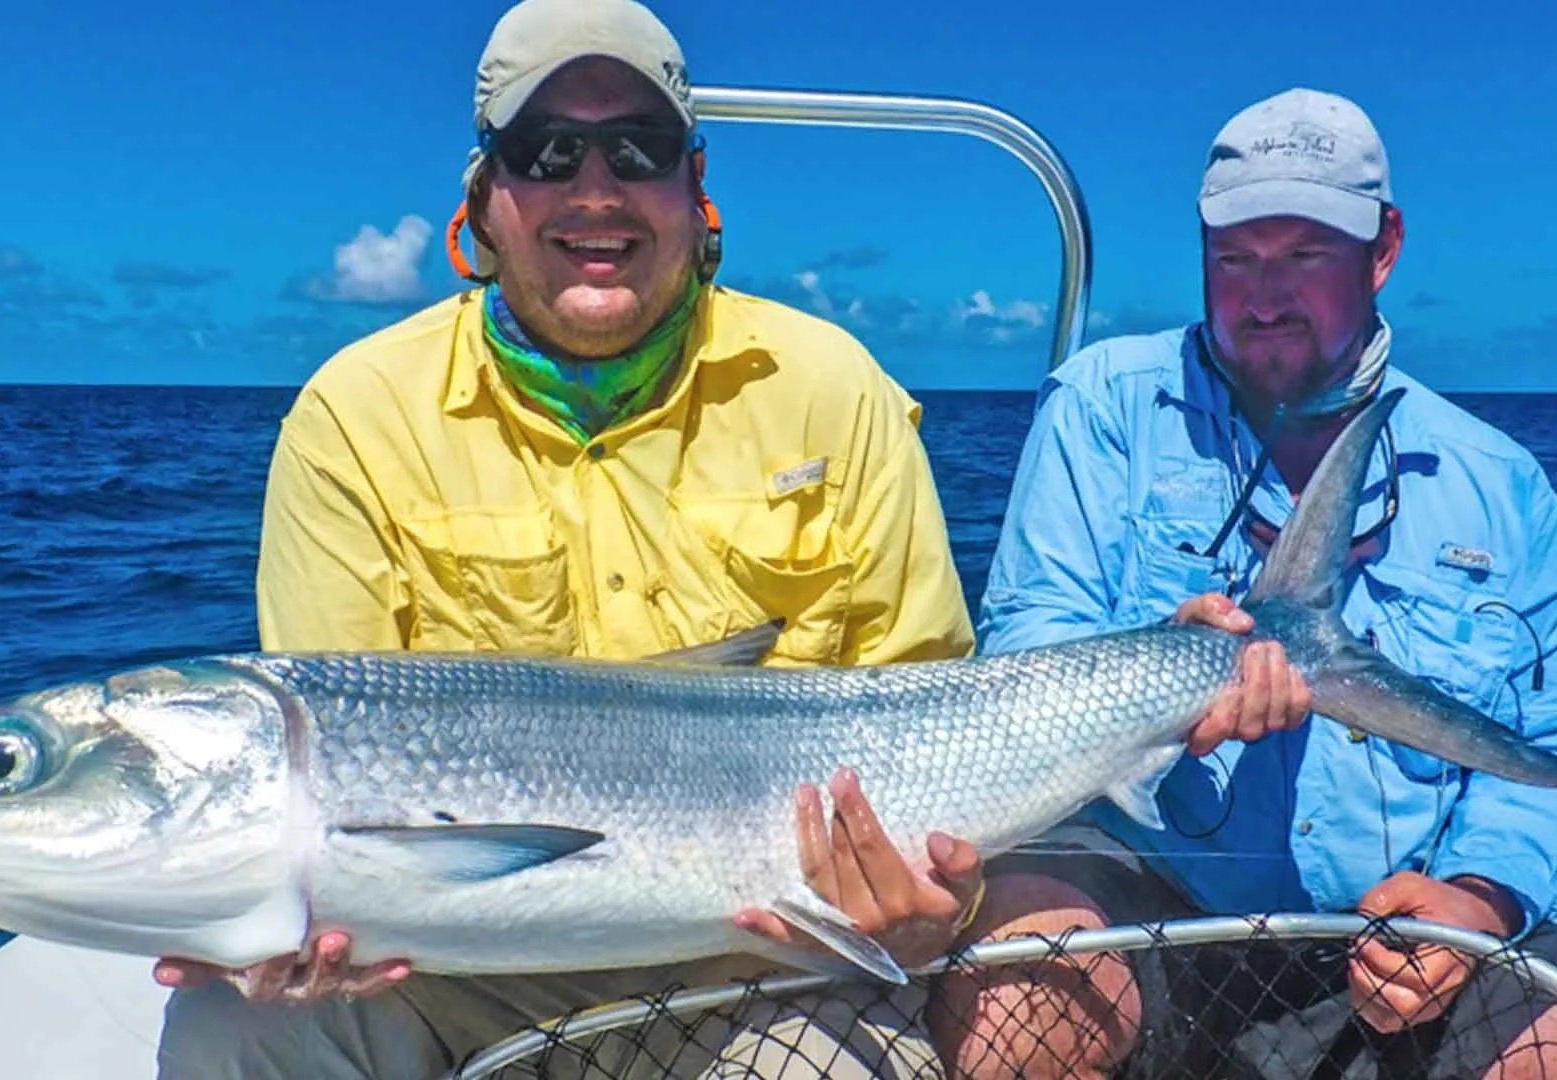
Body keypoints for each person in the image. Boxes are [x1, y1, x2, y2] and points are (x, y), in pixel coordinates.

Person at [148, 1, 985, 1077]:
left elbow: (933, 724)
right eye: (545, 152)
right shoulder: (354, 416)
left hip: (760, 971)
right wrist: (293, 926)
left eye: (637, 149)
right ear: (483, 200)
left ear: (695, 185)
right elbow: (332, 792)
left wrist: (928, 902)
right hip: (448, 974)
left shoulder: (836, 392)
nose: (596, 190)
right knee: (238, 1029)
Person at [932, 87, 1557, 1080]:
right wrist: (1164, 674)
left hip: (1405, 924)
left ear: (1384, 249)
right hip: (1139, 884)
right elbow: (1025, 654)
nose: (1263, 294)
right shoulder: (1100, 410)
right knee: (1014, 1007)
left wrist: (1478, 898)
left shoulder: (1500, 483)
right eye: (1234, 257)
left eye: (1305, 256)